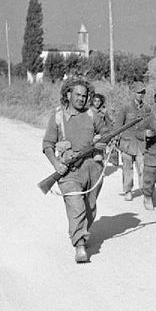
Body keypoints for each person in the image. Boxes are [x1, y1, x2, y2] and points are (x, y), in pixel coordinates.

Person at [42, 78, 109, 263]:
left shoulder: (92, 115)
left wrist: (101, 140)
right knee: (76, 206)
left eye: (84, 95)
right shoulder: (57, 117)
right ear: (68, 94)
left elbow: (106, 132)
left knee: (90, 207)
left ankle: (82, 230)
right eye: (77, 94)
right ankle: (79, 244)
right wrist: (56, 164)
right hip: (69, 171)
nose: (81, 98)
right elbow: (47, 144)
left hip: (93, 168)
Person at [114, 81, 151, 201]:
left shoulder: (147, 108)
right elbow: (118, 126)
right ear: (133, 93)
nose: (140, 95)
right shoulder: (125, 108)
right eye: (138, 92)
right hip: (127, 143)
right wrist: (115, 139)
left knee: (142, 168)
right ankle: (127, 190)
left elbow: (150, 125)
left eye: (142, 93)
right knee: (127, 169)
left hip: (141, 143)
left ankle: (144, 190)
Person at [136, 90, 156, 211]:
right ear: (155, 103)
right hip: (152, 153)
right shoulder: (149, 118)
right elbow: (138, 132)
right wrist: (146, 133)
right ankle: (148, 196)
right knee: (149, 179)